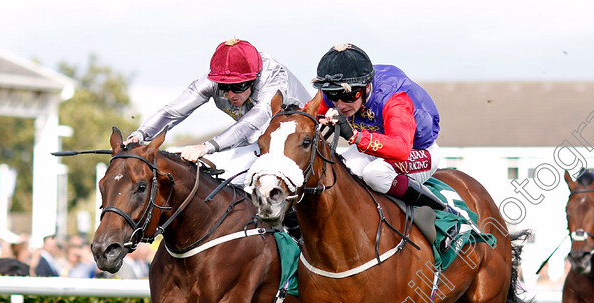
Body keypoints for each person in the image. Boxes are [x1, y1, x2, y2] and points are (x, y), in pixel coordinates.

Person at [125, 38, 310, 186]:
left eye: (237, 87)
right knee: (229, 181)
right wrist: (139, 135)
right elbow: (174, 111)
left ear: (254, 79)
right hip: (259, 137)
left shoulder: (273, 78)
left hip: (300, 140)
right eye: (224, 87)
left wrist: (206, 147)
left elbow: (254, 120)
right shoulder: (212, 80)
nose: (230, 95)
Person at [312, 43, 453, 213]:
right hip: (374, 150)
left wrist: (354, 136)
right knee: (336, 173)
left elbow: (400, 149)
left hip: (417, 151)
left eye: (349, 96)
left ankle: (441, 209)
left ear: (366, 87)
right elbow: (304, 116)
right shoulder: (339, 93)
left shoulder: (394, 99)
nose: (340, 105)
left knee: (375, 174)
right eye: (333, 95)